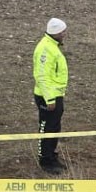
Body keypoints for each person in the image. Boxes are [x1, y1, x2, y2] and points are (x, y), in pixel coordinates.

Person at [33, 18, 69, 174]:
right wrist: (50, 99)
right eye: (62, 31)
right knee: (46, 128)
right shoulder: (45, 49)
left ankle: (52, 157)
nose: (64, 34)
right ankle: (45, 162)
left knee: (54, 127)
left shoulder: (52, 46)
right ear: (55, 32)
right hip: (47, 97)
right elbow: (42, 76)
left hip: (55, 95)